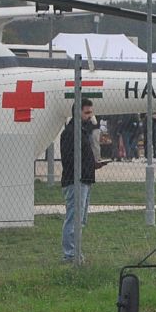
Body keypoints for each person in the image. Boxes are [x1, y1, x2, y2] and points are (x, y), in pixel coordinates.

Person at [60, 99, 106, 263]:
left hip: (85, 178)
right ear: (77, 112)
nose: (90, 116)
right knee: (74, 219)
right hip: (75, 180)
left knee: (80, 220)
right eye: (87, 113)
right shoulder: (71, 133)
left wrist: (92, 165)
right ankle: (70, 254)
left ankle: (75, 252)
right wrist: (86, 165)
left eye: (91, 112)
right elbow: (69, 158)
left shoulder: (82, 131)